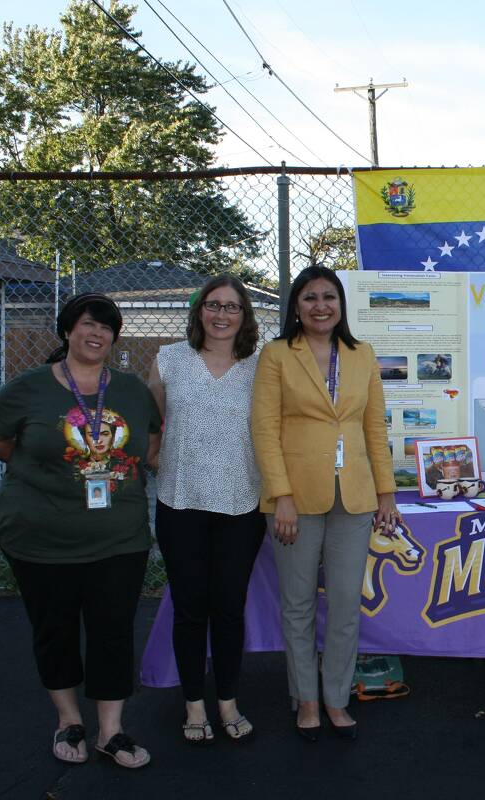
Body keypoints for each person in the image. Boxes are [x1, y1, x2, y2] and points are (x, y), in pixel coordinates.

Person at [0, 293, 161, 768]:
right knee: (54, 631)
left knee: (113, 632)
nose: (95, 333)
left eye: (105, 327)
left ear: (114, 336)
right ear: (67, 330)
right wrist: (36, 472)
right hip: (41, 538)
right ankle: (68, 721)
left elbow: (152, 439)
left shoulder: (133, 389)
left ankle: (111, 732)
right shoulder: (30, 387)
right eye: (86, 324)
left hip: (119, 539)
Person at [251, 266, 400, 742]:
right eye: (310, 297)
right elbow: (264, 430)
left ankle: (335, 697)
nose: (321, 306)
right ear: (296, 305)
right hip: (295, 498)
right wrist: (282, 497)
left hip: (353, 497)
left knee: (344, 605)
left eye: (329, 297)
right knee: (297, 606)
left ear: (341, 305)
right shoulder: (276, 355)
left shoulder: (361, 354)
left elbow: (374, 429)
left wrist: (386, 493)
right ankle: (306, 698)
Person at [147, 276, 264, 744]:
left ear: (245, 315)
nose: (221, 315)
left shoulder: (261, 365)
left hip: (241, 504)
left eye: (232, 307)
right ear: (199, 312)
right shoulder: (169, 359)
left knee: (229, 608)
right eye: (213, 305)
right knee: (190, 608)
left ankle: (228, 701)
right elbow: (153, 425)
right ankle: (194, 704)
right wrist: (159, 458)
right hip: (181, 502)